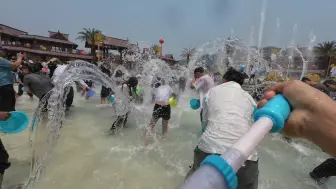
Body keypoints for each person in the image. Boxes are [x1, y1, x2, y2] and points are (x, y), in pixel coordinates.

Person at [186, 69, 259, 189]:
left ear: (224, 80)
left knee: (195, 176)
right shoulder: (250, 99)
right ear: (241, 83)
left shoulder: (211, 92)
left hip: (210, 149)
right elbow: (253, 126)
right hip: (246, 155)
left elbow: (205, 122)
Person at [0, 52, 23, 188]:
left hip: (6, 88)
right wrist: (20, 57)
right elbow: (14, 66)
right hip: (4, 89)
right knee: (1, 159)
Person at [145, 79, 175, 144]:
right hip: (166, 106)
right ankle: (164, 142)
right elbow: (173, 96)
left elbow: (153, 95)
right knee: (164, 126)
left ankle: (145, 142)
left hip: (158, 105)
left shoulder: (156, 86)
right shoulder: (168, 87)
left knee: (151, 125)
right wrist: (173, 100)